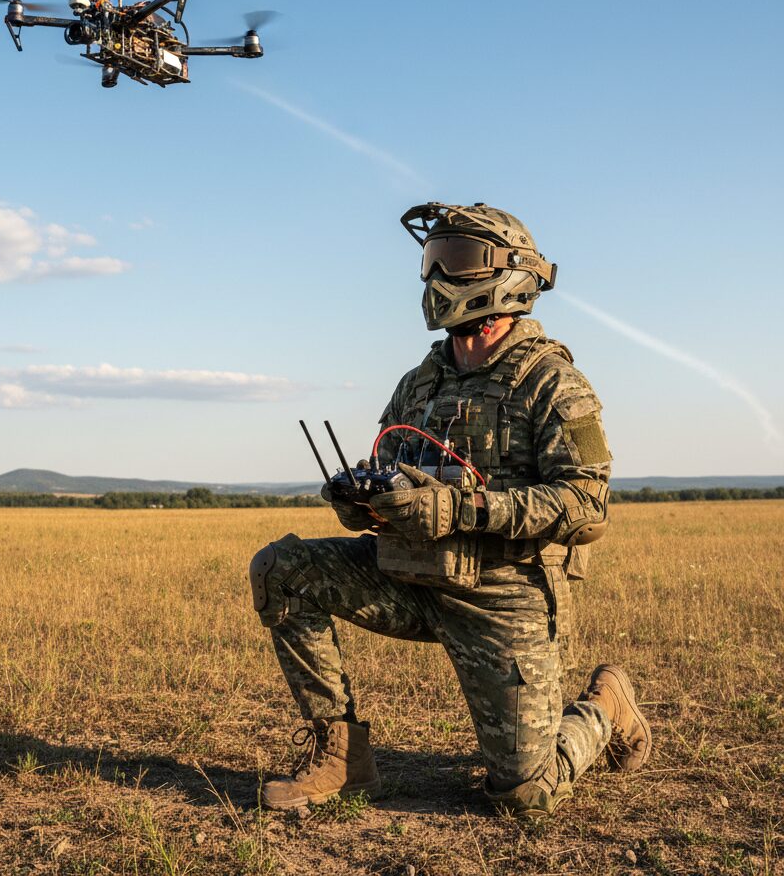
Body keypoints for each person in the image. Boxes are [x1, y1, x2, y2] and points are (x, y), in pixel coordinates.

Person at [248, 202, 651, 818]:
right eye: (432, 262)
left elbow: (586, 505)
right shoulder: (420, 381)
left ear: (512, 275)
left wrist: (459, 510)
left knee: (525, 794)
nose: (438, 279)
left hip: (502, 592)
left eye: (456, 262)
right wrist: (365, 505)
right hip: (408, 573)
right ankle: (342, 759)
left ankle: (606, 707)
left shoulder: (552, 382)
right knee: (282, 567)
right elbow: (392, 467)